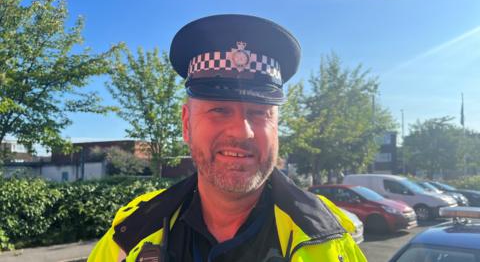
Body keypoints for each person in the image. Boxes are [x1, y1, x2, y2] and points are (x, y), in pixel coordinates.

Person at [88, 14, 367, 262]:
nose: (242, 131)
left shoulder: (332, 241)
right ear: (187, 124)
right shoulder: (129, 234)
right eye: (219, 110)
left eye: (259, 112)